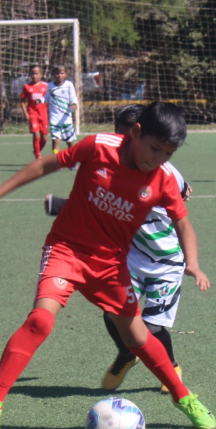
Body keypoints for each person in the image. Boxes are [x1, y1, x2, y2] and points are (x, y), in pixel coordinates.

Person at [0, 102, 216, 429]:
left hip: (111, 265)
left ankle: (184, 398)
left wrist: (194, 263)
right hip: (67, 250)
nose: (157, 159)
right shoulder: (98, 146)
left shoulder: (162, 180)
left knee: (139, 338)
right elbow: (47, 164)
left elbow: (183, 224)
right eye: (155, 149)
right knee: (40, 321)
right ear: (136, 133)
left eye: (167, 154)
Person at [44, 104, 190, 393]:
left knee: (149, 326)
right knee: (113, 314)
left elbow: (172, 200)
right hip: (132, 257)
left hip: (165, 261)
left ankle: (170, 368)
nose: (122, 146)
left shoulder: (162, 172)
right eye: (118, 136)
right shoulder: (116, 156)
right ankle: (126, 354)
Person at [47, 64, 79, 156]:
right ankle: (57, 162)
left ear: (66, 74)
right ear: (53, 75)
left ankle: (73, 160)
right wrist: (39, 100)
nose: (59, 75)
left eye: (62, 73)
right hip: (54, 119)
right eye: (57, 73)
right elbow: (45, 98)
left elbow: (73, 98)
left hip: (66, 118)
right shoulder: (49, 86)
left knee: (70, 142)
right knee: (55, 141)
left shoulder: (69, 85)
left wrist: (74, 105)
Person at [20, 64, 49, 160]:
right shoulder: (27, 87)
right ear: (29, 75)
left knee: (44, 139)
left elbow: (48, 99)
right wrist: (26, 113)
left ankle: (37, 150)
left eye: (36, 74)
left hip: (43, 115)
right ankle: (38, 157)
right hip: (33, 114)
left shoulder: (46, 86)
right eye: (32, 74)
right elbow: (22, 101)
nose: (34, 76)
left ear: (41, 74)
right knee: (36, 134)